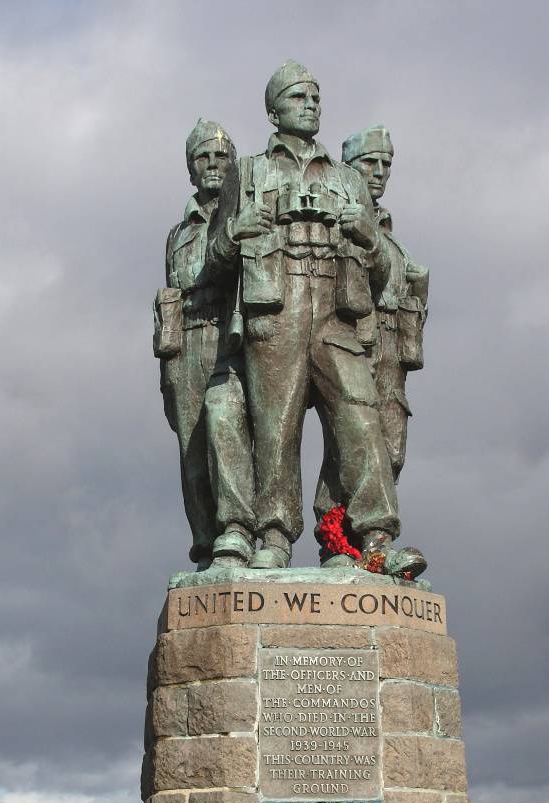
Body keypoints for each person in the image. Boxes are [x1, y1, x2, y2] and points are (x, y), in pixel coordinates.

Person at [209, 61, 422, 575]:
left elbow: (386, 270)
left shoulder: (348, 179)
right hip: (275, 309)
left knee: (360, 417)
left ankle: (375, 536)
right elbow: (214, 261)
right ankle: (274, 536)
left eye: (316, 97)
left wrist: (367, 236)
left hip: (336, 311)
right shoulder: (250, 171)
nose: (311, 105)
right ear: (273, 109)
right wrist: (236, 230)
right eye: (299, 96)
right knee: (274, 428)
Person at [313, 126, 429, 565]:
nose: (379, 172)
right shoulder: (339, 218)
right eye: (369, 163)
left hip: (392, 350)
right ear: (348, 167)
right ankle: (340, 537)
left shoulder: (385, 228)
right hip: (350, 339)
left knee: (391, 448)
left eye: (386, 164)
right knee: (354, 440)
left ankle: (355, 542)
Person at [154, 119, 255, 571]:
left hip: (228, 336)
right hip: (184, 346)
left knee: (224, 427)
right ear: (191, 169)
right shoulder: (178, 234)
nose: (213, 165)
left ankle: (239, 531)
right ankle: (206, 548)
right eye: (203, 158)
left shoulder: (242, 214)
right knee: (193, 459)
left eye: (220, 157)